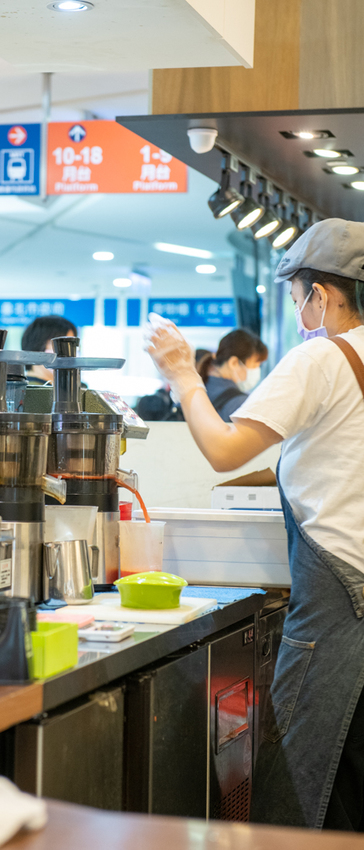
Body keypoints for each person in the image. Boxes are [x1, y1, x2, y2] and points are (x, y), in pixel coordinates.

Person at [144, 218, 364, 832]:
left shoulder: (323, 355)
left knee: (296, 786)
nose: (298, 316)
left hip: (340, 603)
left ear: (321, 294)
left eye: (298, 300)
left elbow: (223, 449)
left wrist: (183, 372)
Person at [197, 330, 268, 422]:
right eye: (255, 365)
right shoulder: (240, 403)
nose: (257, 371)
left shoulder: (196, 387)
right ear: (234, 363)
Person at [21, 315, 77, 384]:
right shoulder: (29, 389)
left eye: (73, 345)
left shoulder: (55, 387)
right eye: (62, 344)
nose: (69, 351)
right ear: (38, 345)